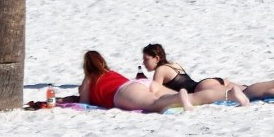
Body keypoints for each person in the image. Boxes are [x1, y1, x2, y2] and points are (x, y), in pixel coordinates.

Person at [60, 50, 240, 113]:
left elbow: (84, 103)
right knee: (195, 98)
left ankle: (178, 97)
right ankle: (227, 94)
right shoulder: (111, 72)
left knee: (154, 104)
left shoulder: (89, 78)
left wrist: (70, 98)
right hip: (140, 84)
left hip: (124, 93)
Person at [141, 43, 274, 104]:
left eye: (146, 59)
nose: (144, 63)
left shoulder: (161, 70)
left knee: (248, 93)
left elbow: (156, 90)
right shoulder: (174, 65)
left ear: (157, 58)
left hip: (202, 88)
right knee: (252, 91)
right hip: (213, 81)